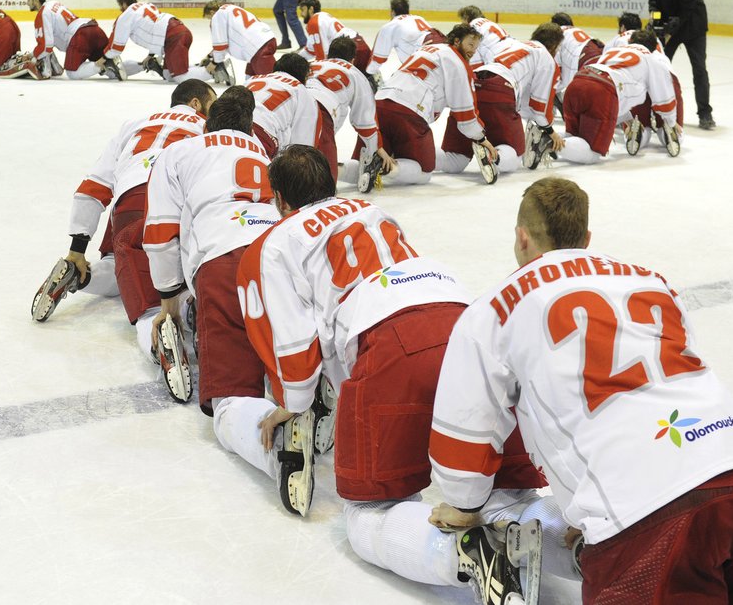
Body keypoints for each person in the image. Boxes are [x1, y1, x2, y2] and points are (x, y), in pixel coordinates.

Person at [429, 177, 733, 604]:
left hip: (657, 517)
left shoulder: (494, 307)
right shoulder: (652, 281)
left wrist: (464, 504)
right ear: (586, 239)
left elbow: (466, 430)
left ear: (521, 236)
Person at [233, 146, 552, 590]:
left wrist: (293, 403)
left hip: (387, 339)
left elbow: (293, 340)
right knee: (510, 493)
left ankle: (463, 554)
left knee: (369, 516)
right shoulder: (371, 209)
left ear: (281, 200)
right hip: (464, 318)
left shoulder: (278, 239)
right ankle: (575, 550)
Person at [32, 81, 216, 338]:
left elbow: (94, 184)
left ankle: (79, 276)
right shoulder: (209, 127)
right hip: (172, 205)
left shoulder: (135, 123)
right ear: (196, 103)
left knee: (121, 265)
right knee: (168, 289)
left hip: (126, 201)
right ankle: (181, 318)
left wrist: (77, 250)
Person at [142, 92, 280, 410]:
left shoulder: (178, 152)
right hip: (280, 254)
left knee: (232, 402)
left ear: (206, 125)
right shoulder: (261, 153)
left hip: (223, 259)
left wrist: (169, 306)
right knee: (286, 360)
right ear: (249, 129)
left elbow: (161, 234)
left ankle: (273, 448)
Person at [371, 23, 497, 186]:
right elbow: (465, 111)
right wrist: (480, 138)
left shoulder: (426, 50)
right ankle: (382, 167)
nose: (473, 50)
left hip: (380, 103)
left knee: (365, 161)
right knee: (424, 171)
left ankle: (342, 170)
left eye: (476, 47)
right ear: (457, 42)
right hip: (409, 111)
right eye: (470, 44)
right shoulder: (458, 63)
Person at [439, 23, 565, 183]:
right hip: (501, 90)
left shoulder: (512, 43)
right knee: (515, 153)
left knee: (455, 160)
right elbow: (539, 107)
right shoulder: (546, 58)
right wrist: (550, 132)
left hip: (473, 83)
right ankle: (493, 157)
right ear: (554, 45)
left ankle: (413, 158)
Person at [560, 29, 682, 164]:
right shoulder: (652, 58)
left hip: (577, 82)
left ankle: (547, 138)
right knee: (592, 153)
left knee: (572, 137)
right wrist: (670, 121)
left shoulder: (612, 51)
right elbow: (664, 97)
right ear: (654, 48)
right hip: (603, 90)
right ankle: (546, 141)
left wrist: (627, 118)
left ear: (630, 41)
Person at [306, 36, 394, 186]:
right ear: (353, 59)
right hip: (321, 113)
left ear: (329, 54)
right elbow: (365, 121)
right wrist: (376, 149)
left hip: (291, 106)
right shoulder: (356, 74)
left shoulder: (310, 64)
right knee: (322, 183)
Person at [648, 0, 714, 129]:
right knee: (660, 68)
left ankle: (705, 113)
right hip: (669, 27)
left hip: (693, 28)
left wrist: (668, 31)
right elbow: (653, 2)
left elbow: (685, 12)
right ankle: (657, 109)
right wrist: (656, 21)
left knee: (699, 69)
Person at [107, 0, 207, 83]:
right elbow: (155, 28)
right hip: (177, 32)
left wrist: (105, 57)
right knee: (168, 75)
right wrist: (151, 55)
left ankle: (212, 70)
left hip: (174, 36)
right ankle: (202, 67)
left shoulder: (126, 15)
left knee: (180, 77)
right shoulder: (146, 4)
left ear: (124, 3)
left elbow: (117, 46)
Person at [25, 0, 121, 81]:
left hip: (80, 37)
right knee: (113, 73)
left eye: (29, 0)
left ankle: (102, 65)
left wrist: (32, 56)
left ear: (36, 0)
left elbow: (46, 46)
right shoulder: (53, 3)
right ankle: (135, 65)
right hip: (93, 29)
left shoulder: (42, 14)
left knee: (72, 72)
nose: (27, 3)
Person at [244, 52, 319, 159]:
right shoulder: (301, 91)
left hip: (221, 122)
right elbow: (302, 147)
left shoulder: (253, 79)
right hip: (260, 133)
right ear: (304, 77)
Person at [366, 0, 441, 85]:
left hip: (425, 61)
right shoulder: (419, 18)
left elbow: (379, 58)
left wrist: (369, 72)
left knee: (395, 84)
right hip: (442, 51)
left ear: (392, 12)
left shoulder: (391, 26)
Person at [202, 1, 277, 82]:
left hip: (257, 49)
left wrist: (214, 63)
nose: (210, 20)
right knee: (250, 77)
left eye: (209, 18)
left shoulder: (217, 16)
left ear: (212, 12)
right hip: (266, 40)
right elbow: (226, 42)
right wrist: (209, 56)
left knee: (270, 81)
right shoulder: (230, 8)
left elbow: (220, 45)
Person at [296, 0, 372, 72]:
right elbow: (310, 50)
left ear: (311, 9)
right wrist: (295, 59)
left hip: (349, 51)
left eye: (303, 10)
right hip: (361, 46)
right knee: (369, 80)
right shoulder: (324, 15)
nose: (301, 14)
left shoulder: (313, 22)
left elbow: (322, 55)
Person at [549, 12, 603, 107]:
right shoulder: (577, 30)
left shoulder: (557, 34)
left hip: (584, 59)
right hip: (601, 52)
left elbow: (555, 69)